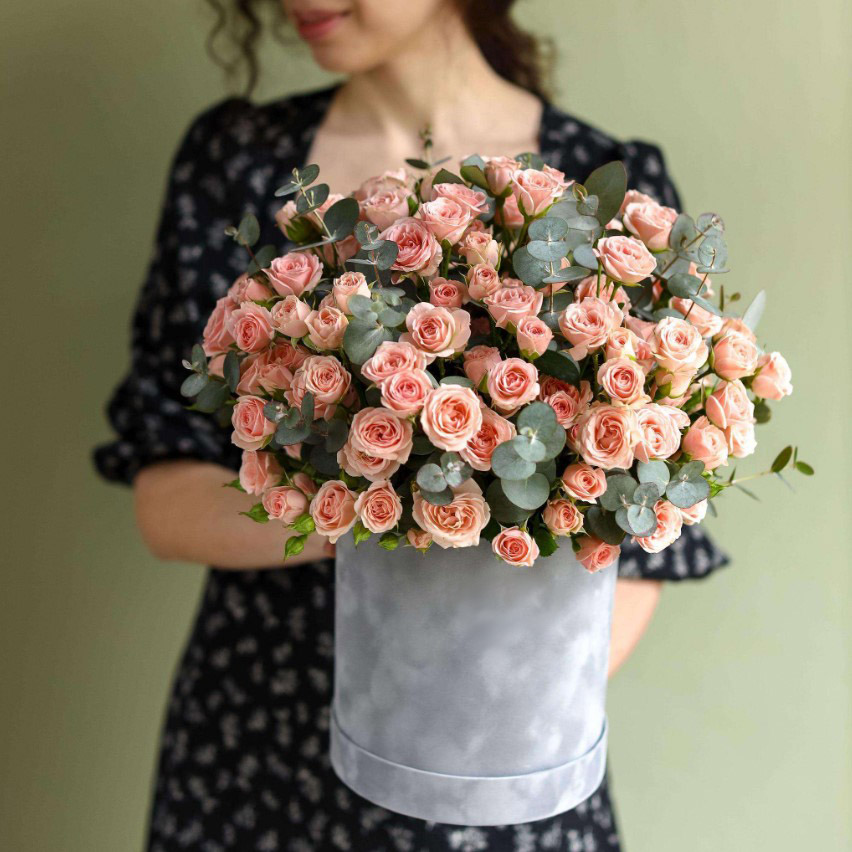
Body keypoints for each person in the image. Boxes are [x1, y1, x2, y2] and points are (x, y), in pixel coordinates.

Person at [94, 1, 729, 848]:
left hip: (501, 757)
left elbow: (647, 543)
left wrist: (479, 722)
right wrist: (371, 511)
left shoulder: (605, 187)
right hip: (262, 737)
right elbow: (166, 501)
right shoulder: (237, 163)